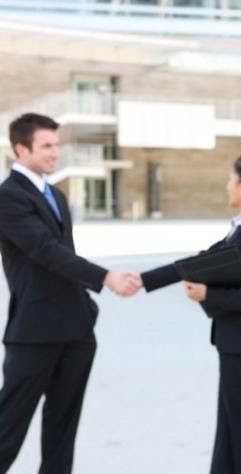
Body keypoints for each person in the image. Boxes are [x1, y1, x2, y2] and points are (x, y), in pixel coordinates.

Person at [0, 112, 142, 473]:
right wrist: (106, 277)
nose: (55, 153)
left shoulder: (57, 196)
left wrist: (86, 307)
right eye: (46, 146)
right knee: (7, 431)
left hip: (76, 330)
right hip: (34, 332)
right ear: (21, 148)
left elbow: (67, 255)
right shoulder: (8, 198)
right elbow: (46, 251)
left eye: (57, 145)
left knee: (62, 432)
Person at [140, 152, 241, 474]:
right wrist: (143, 280)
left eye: (230, 180)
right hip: (238, 344)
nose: (227, 186)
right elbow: (198, 262)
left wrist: (211, 294)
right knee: (230, 426)